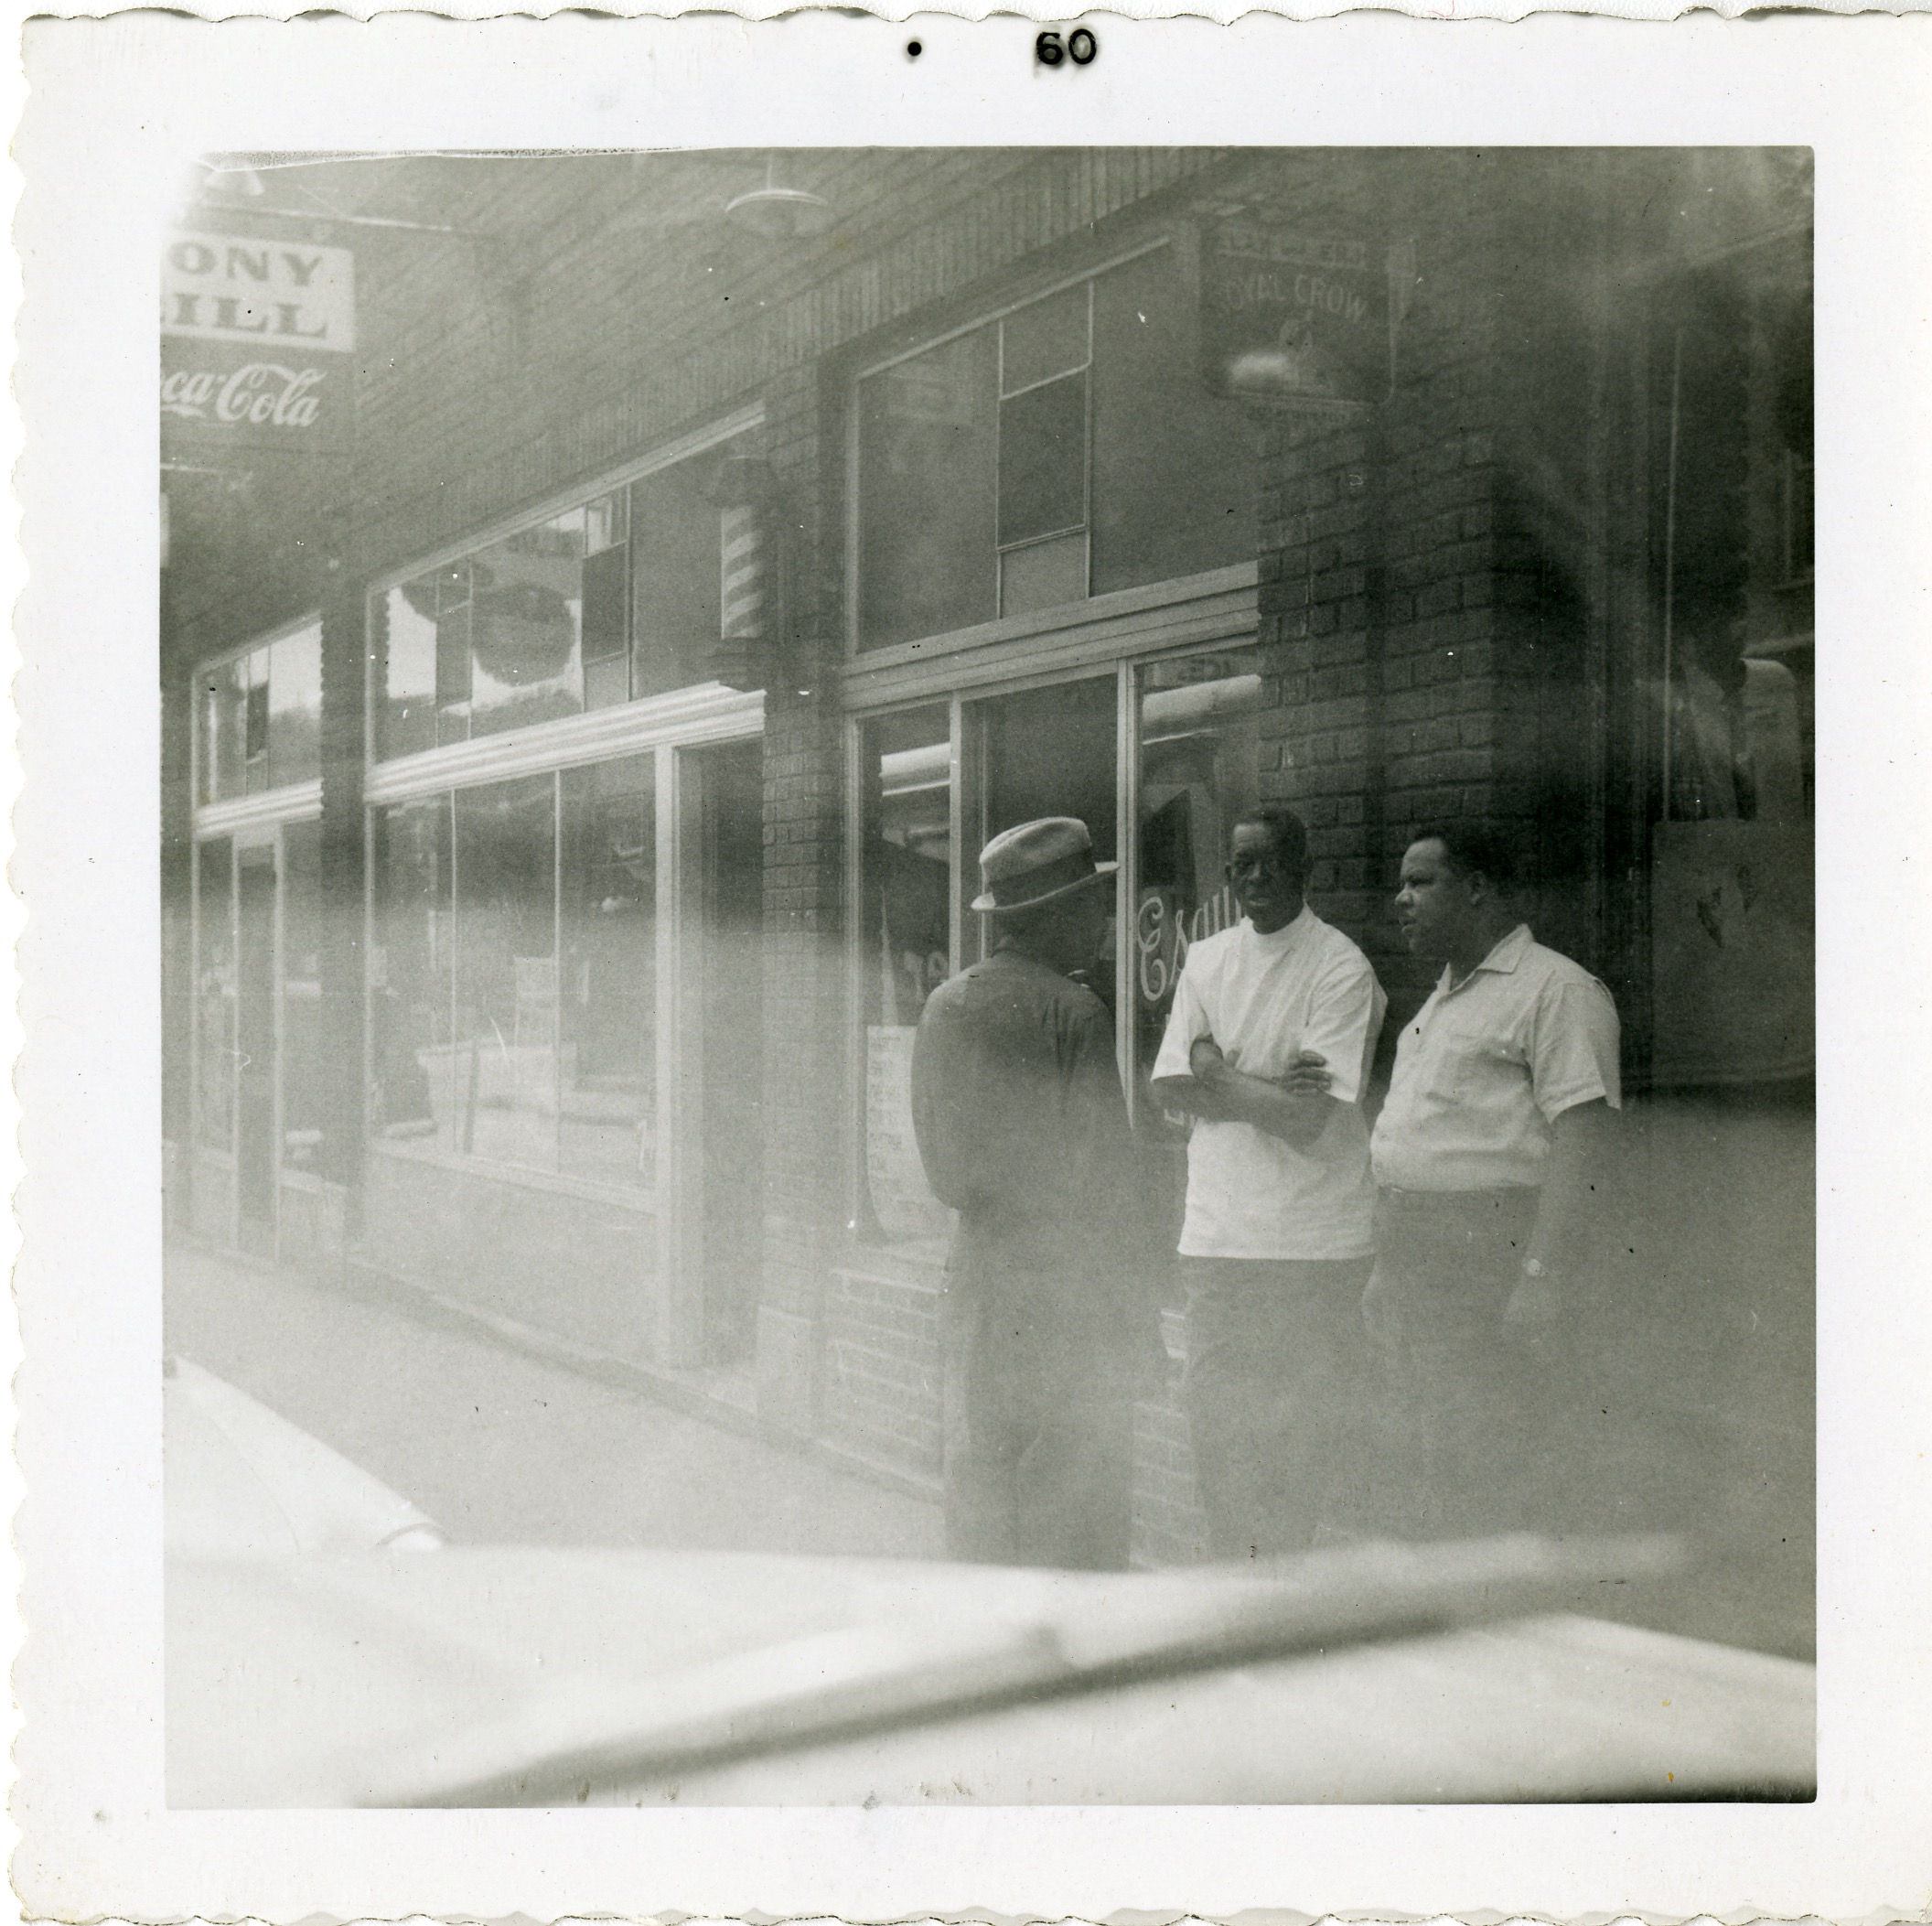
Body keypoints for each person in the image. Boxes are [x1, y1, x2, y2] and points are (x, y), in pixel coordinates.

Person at [910, 817, 1157, 1569]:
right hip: (1067, 1298)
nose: (1102, 921)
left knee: (984, 1491)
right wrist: (1136, 1321)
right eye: (1092, 906)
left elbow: (944, 1172)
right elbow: (1106, 1184)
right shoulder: (1075, 1012)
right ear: (1055, 915)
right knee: (1075, 1508)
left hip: (982, 1289)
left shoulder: (945, 1007)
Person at [1366, 822, 1621, 1539]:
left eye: (1422, 882)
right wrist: (1389, 1264)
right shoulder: (1442, 1000)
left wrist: (1541, 1273)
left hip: (1489, 1256)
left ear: (1479, 889)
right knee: (1423, 1460)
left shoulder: (1555, 990)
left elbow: (1585, 1140)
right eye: (1401, 883)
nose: (1401, 900)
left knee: (1483, 1464)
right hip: (1420, 1259)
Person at [1149, 804, 1387, 1558]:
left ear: (1305, 866)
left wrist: (1218, 1068)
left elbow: (1307, 1123)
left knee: (1296, 1433)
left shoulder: (1341, 967)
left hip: (1312, 1244)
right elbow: (1168, 1088)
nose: (1255, 876)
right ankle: (1233, 1579)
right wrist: (1264, 1092)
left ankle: (1278, 1591)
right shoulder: (1207, 958)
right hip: (1219, 1238)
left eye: (1271, 860)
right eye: (1240, 863)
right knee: (1215, 1420)